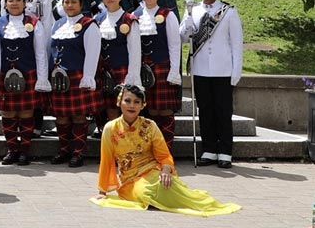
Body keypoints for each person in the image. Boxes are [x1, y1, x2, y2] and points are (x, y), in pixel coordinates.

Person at [91, 84, 240, 216]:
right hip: (130, 181)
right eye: (127, 101)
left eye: (137, 102)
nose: (132, 105)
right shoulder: (110, 128)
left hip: (152, 171)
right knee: (145, 192)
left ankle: (193, 201)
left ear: (143, 105)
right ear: (119, 102)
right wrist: (102, 191)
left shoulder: (150, 125)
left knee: (166, 185)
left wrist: (166, 171)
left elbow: (164, 155)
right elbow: (107, 159)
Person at [179, 0, 244, 168]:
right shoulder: (193, 10)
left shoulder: (229, 12)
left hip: (223, 69)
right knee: (205, 110)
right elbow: (182, 37)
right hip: (200, 70)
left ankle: (225, 152)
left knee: (223, 111)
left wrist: (236, 72)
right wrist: (188, 21)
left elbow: (237, 44)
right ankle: (209, 149)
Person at [0, 0, 50, 165]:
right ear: (5, 4)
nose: (14, 3)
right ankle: (11, 149)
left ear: (24, 3)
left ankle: (24, 150)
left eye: (18, 0)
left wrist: (42, 78)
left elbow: (40, 53)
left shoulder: (34, 22)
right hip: (4, 75)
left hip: (28, 73)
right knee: (8, 113)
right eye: (11, 0)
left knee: (26, 113)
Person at [48, 0, 101, 167]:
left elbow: (92, 53)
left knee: (79, 117)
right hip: (58, 78)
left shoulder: (89, 24)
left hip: (78, 76)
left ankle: (78, 153)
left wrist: (88, 77)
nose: (69, 6)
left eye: (73, 2)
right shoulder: (58, 24)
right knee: (61, 117)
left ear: (81, 4)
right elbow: (51, 51)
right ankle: (64, 150)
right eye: (67, 2)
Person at [134, 0, 182, 151]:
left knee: (165, 111)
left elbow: (175, 45)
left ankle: (166, 152)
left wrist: (174, 71)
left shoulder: (168, 15)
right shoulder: (135, 16)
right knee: (151, 111)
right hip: (143, 70)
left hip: (163, 67)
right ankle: (152, 150)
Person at [94, 0, 141, 129]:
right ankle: (109, 145)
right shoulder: (98, 19)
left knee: (124, 109)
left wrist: (132, 77)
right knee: (106, 110)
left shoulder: (129, 19)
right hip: (102, 72)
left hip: (122, 70)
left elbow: (135, 50)